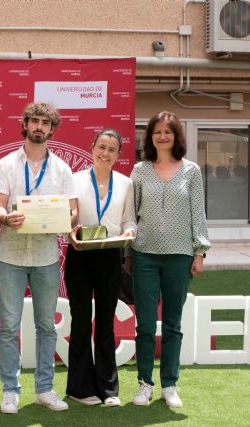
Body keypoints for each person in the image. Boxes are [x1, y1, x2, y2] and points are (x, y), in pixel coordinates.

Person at [0, 102, 77, 414]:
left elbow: (73, 210)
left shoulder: (63, 169)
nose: (39, 126)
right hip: (10, 254)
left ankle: (44, 389)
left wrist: (65, 219)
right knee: (9, 326)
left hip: (46, 256)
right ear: (25, 125)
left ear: (52, 129)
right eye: (34, 121)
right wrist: (4, 217)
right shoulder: (6, 164)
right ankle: (10, 391)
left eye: (45, 122)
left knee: (46, 326)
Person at [125, 111, 210, 408]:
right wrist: (128, 253)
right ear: (150, 137)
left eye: (168, 132)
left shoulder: (191, 171)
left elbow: (198, 213)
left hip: (179, 256)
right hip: (144, 254)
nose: (162, 136)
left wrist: (199, 252)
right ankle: (144, 383)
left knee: (173, 324)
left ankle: (169, 384)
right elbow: (130, 215)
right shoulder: (139, 170)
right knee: (146, 325)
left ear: (176, 136)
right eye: (157, 131)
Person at [64, 129, 136, 407]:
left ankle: (108, 389)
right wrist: (71, 229)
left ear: (118, 155)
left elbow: (129, 220)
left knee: (105, 323)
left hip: (110, 256)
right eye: (101, 147)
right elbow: (69, 216)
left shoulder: (126, 183)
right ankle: (79, 389)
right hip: (80, 254)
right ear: (92, 147)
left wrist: (129, 233)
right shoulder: (74, 179)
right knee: (81, 321)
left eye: (111, 149)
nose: (105, 153)